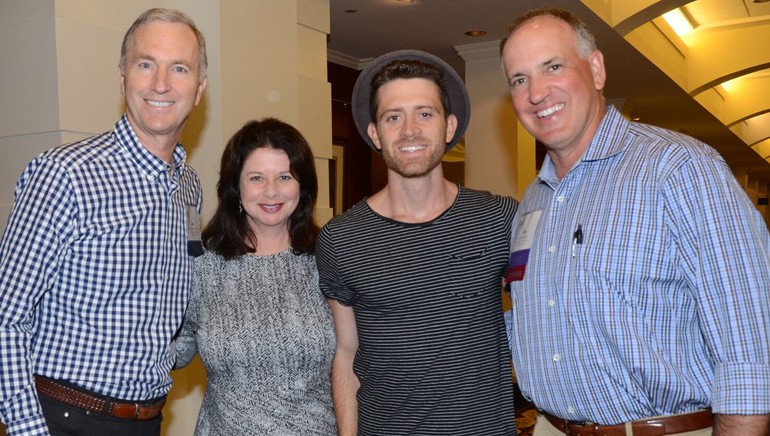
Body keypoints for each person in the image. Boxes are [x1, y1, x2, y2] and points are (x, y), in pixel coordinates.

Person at [500, 7, 770, 436]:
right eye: (519, 79)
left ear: (596, 68)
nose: (536, 92)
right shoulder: (533, 200)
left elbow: (747, 337)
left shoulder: (679, 168)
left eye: (553, 66)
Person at [0, 8, 207, 436]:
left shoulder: (189, 188)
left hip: (148, 420)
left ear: (199, 88)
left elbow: (173, 303)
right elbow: (6, 316)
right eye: (145, 64)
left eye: (180, 68)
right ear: (123, 76)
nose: (161, 84)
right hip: (62, 418)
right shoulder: (65, 174)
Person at [316, 49, 518, 436]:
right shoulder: (341, 239)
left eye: (425, 113)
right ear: (375, 134)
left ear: (449, 126)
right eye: (394, 117)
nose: (409, 130)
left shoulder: (498, 220)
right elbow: (346, 352)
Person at [174, 118, 337, 435]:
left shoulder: (329, 259)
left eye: (285, 177)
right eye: (257, 178)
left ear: (303, 187)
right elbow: (176, 354)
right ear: (236, 187)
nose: (271, 191)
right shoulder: (202, 264)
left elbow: (357, 360)